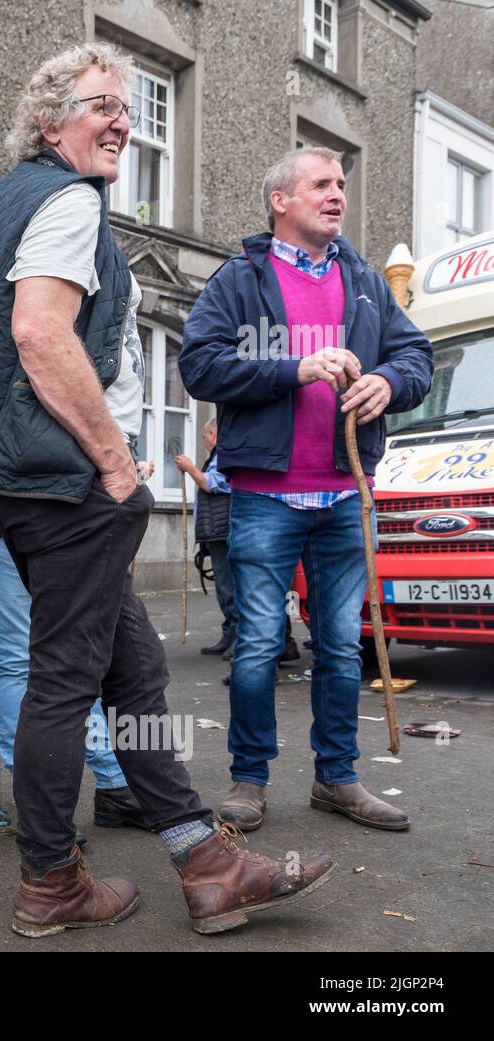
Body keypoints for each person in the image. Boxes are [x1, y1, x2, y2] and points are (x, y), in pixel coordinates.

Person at [0, 43, 334, 937]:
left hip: (17, 482)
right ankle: (51, 882)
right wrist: (116, 463)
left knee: (135, 672)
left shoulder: (4, 201)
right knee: (64, 683)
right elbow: (36, 333)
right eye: (101, 105)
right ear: (50, 122)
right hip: (69, 486)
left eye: (126, 105)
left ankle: (205, 860)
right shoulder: (69, 202)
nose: (122, 120)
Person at [179, 147, 433, 833]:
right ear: (280, 201)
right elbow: (199, 365)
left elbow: (417, 356)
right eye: (321, 184)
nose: (337, 195)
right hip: (266, 496)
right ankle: (249, 779)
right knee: (260, 643)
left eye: (342, 185)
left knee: (342, 646)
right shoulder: (240, 279)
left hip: (347, 494)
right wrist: (292, 369)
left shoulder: (365, 281)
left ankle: (337, 778)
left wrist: (392, 382)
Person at [0, 151, 150, 834]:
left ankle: (113, 792)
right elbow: (14, 324)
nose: (121, 124)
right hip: (48, 477)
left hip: (75, 476)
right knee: (44, 660)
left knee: (102, 657)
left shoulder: (74, 217)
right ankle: (48, 823)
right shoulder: (49, 208)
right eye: (104, 107)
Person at [176, 419, 237, 656]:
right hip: (216, 531)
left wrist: (190, 468)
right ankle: (229, 633)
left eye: (204, 437)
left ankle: (237, 636)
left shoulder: (222, 456)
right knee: (224, 587)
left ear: (212, 434)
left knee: (229, 586)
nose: (204, 442)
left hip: (223, 530)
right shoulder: (216, 457)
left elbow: (212, 485)